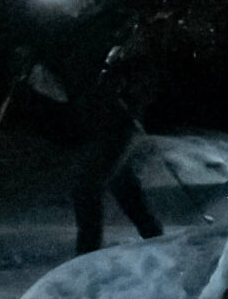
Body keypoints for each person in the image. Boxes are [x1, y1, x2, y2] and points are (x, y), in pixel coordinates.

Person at [11, 15, 165, 255]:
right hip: (102, 124)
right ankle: (157, 241)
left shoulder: (122, 42)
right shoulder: (81, 38)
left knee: (87, 188)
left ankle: (86, 257)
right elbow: (69, 93)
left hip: (117, 125)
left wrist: (123, 92)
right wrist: (35, 75)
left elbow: (140, 81)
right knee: (122, 187)